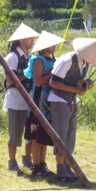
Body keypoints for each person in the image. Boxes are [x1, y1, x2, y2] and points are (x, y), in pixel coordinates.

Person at [48, 38, 96, 182]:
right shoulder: (66, 60)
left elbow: (79, 83)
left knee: (70, 133)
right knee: (60, 133)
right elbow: (53, 82)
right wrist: (73, 89)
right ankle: (60, 169)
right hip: (59, 100)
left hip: (72, 100)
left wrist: (82, 89)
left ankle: (67, 166)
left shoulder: (86, 64)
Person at [24, 31, 65, 176]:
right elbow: (38, 81)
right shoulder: (38, 60)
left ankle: (43, 163)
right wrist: (52, 72)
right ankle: (36, 165)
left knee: (44, 133)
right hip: (38, 100)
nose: (54, 47)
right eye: (51, 45)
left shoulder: (55, 60)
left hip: (50, 101)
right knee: (36, 135)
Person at [3, 23, 40, 171]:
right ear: (21, 39)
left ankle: (27, 159)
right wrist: (26, 74)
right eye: (30, 38)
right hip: (16, 100)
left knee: (30, 133)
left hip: (29, 99)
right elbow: (10, 79)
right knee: (15, 133)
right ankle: (12, 162)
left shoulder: (30, 57)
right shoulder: (12, 57)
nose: (33, 40)